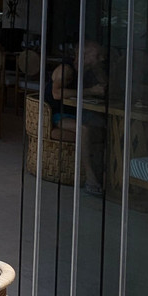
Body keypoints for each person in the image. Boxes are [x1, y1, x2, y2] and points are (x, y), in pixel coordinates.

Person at [46, 37, 108, 194]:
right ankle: (90, 179)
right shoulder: (66, 70)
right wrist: (91, 91)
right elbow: (56, 93)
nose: (102, 58)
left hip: (80, 112)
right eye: (97, 55)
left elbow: (105, 87)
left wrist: (98, 70)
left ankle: (111, 175)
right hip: (57, 114)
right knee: (84, 129)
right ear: (84, 55)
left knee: (105, 125)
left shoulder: (89, 70)